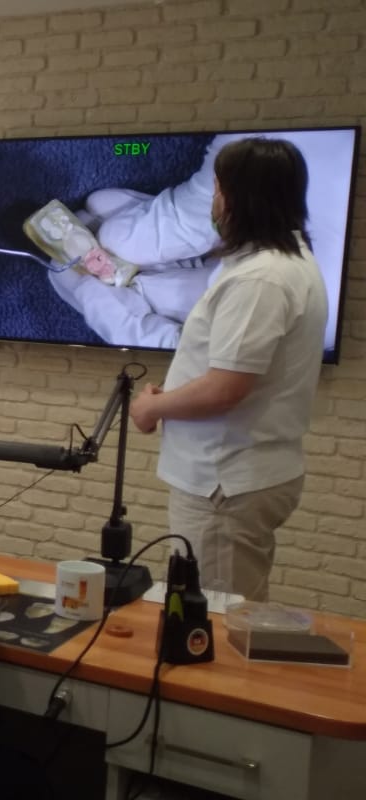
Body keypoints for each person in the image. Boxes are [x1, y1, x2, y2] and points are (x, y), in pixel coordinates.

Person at [129, 138, 328, 602]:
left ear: (237, 197)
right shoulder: (281, 263)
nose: (214, 202)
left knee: (212, 616)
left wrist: (153, 408)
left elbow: (224, 388)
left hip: (224, 482)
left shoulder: (261, 279)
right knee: (223, 608)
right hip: (237, 475)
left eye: (217, 189)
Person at [47, 130, 349, 352]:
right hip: (295, 295)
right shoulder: (254, 150)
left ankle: (138, 284)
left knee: (65, 271)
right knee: (104, 215)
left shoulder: (263, 293)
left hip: (285, 318)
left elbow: (198, 361)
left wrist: (92, 294)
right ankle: (160, 271)